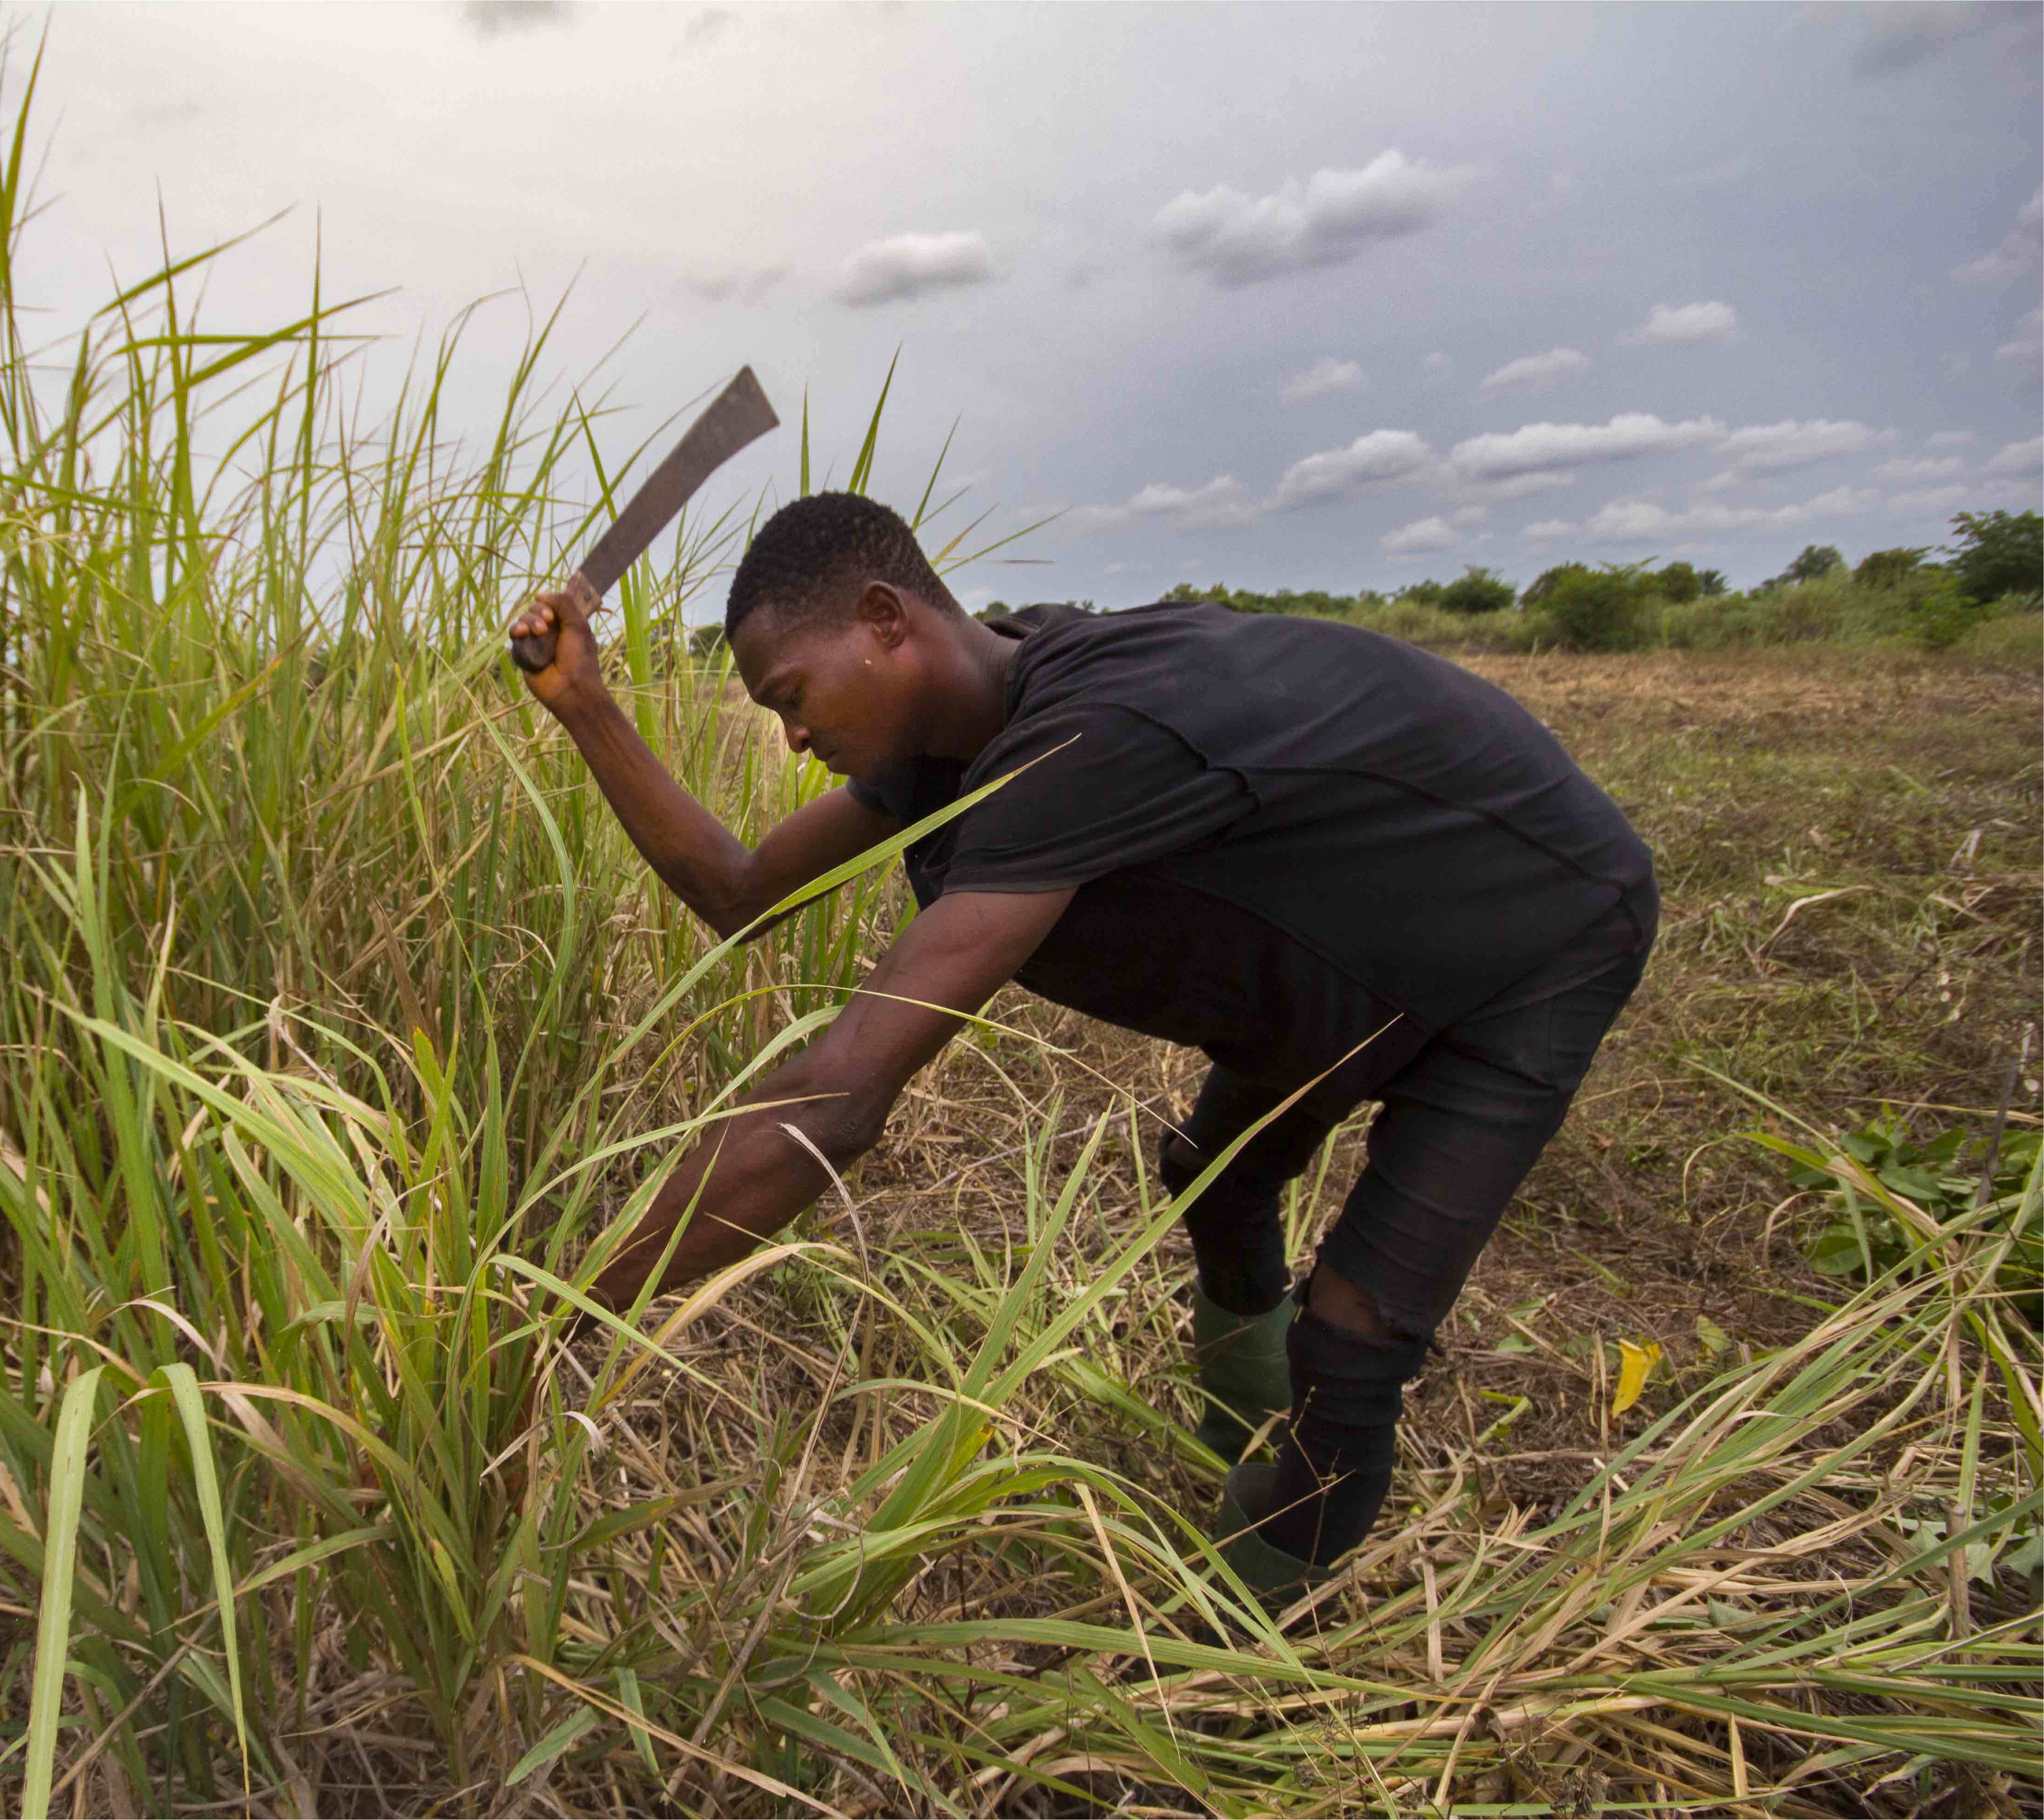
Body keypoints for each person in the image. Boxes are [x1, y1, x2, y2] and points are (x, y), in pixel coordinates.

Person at [505, 491, 1655, 1594]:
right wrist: (585, 707)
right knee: (1214, 1180)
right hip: (1337, 936)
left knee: (1353, 1339)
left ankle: (1256, 1626)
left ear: (884, 620)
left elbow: (833, 1104)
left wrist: (542, 1320)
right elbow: (742, 893)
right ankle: (1233, 1433)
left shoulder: (1090, 736)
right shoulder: (957, 739)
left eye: (792, 694)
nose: (792, 730)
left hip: (1533, 929)